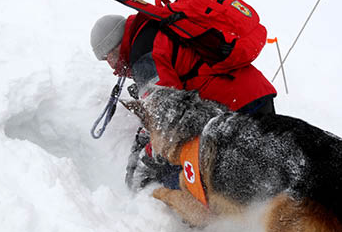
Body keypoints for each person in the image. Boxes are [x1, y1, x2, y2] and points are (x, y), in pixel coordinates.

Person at [90, 10, 277, 190]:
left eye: (110, 58)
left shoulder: (144, 57)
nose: (113, 68)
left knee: (172, 173)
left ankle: (186, 221)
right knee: (267, 176)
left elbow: (169, 120)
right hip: (253, 94)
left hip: (234, 109)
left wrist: (147, 160)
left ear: (118, 45)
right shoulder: (154, 30)